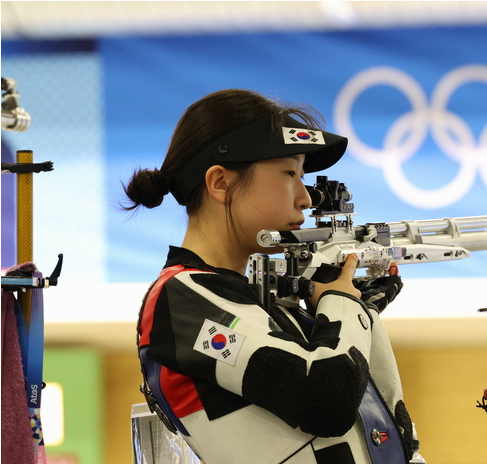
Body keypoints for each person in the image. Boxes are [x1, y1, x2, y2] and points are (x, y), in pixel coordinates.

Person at [124, 89, 414, 464]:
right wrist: (342, 303)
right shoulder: (180, 299)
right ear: (220, 183)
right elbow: (327, 399)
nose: (307, 198)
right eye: (289, 173)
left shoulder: (256, 299)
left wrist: (359, 310)